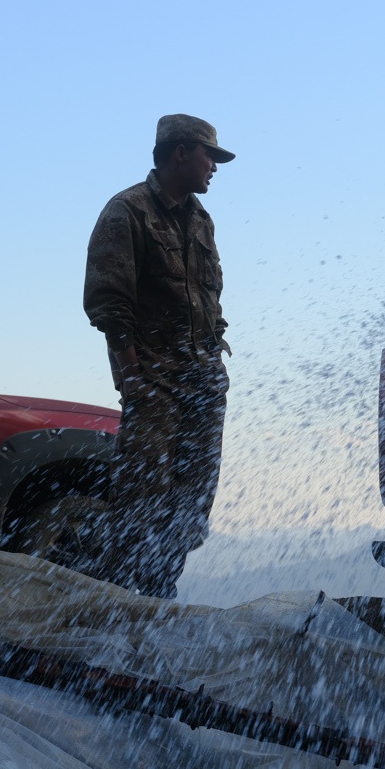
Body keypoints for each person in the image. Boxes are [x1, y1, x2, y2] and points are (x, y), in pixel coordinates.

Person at [83, 114, 234, 598]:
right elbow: (109, 302)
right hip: (155, 383)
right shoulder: (127, 211)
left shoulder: (201, 220)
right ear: (181, 153)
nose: (215, 167)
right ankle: (117, 602)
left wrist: (217, 343)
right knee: (140, 499)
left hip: (203, 383)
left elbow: (209, 298)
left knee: (191, 502)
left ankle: (158, 594)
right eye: (210, 156)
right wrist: (133, 376)